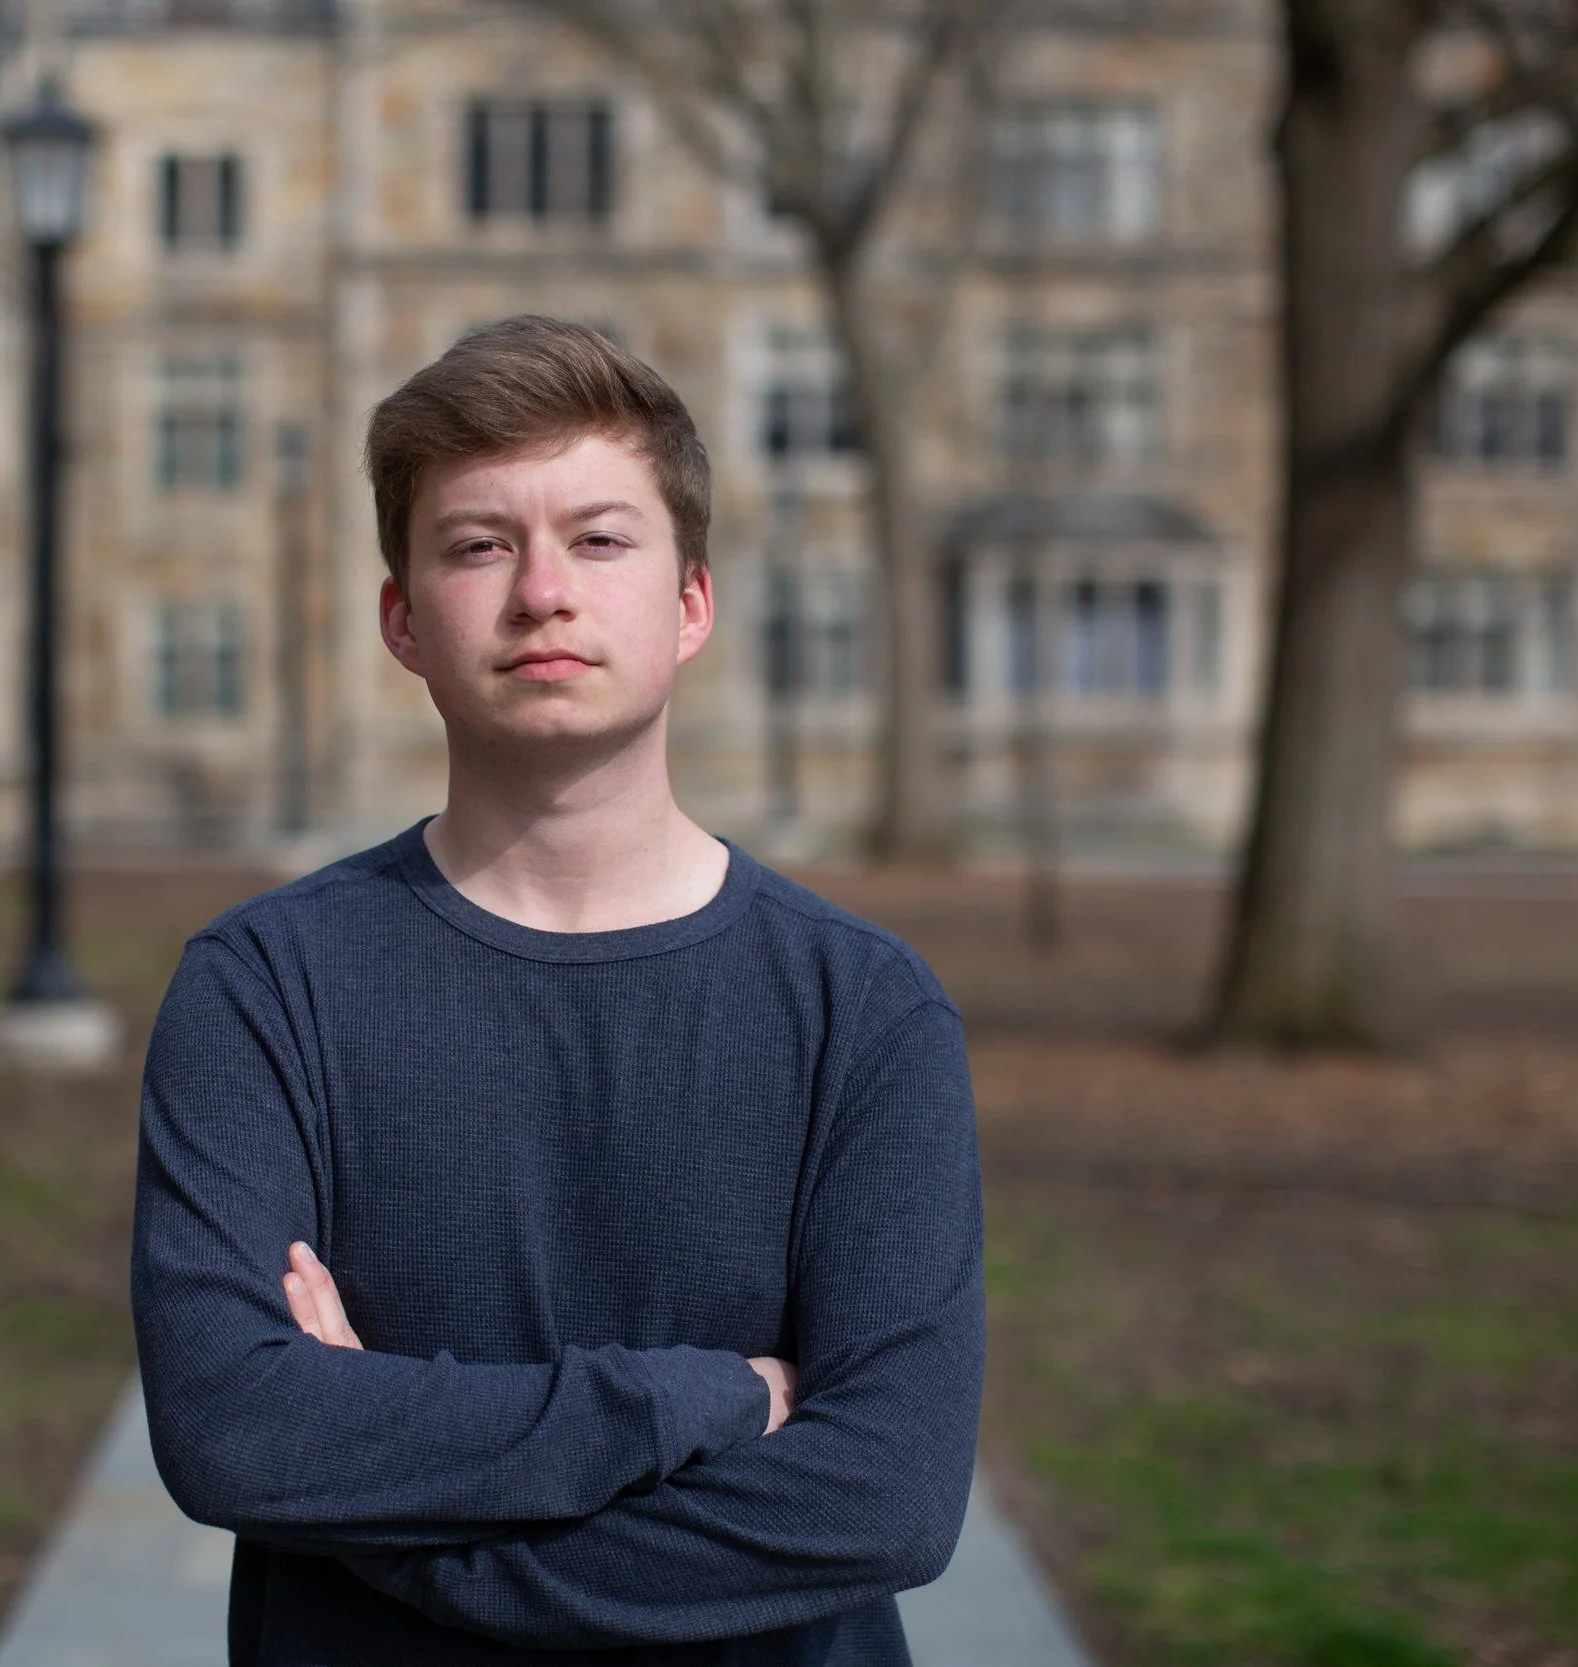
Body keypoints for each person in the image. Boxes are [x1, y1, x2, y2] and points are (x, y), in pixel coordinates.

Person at [131, 315, 983, 1666]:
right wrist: (694, 1400)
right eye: (479, 544)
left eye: (599, 538)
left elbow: (885, 1500)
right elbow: (236, 1434)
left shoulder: (862, 1010)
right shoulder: (264, 991)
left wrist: (389, 1502)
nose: (542, 592)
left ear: (690, 600)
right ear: (403, 618)